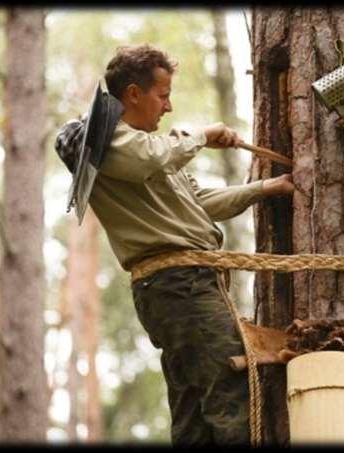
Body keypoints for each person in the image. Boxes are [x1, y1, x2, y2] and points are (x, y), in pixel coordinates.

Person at [55, 44, 294, 445]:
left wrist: (267, 187)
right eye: (163, 94)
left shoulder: (151, 149)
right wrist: (200, 135)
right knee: (231, 390)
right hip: (180, 286)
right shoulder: (106, 140)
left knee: (194, 412)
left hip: (183, 286)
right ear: (133, 94)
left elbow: (200, 204)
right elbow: (151, 157)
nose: (168, 106)